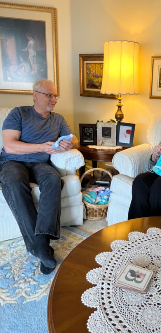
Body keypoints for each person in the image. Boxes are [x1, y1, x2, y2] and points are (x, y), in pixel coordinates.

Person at [0, 79, 79, 274]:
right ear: (35, 95)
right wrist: (41, 147)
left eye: (55, 96)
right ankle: (41, 248)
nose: (54, 99)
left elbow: (74, 138)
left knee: (53, 179)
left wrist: (70, 144)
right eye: (49, 95)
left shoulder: (58, 119)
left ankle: (41, 243)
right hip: (13, 161)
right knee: (14, 182)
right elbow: (10, 145)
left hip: (41, 163)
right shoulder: (19, 113)